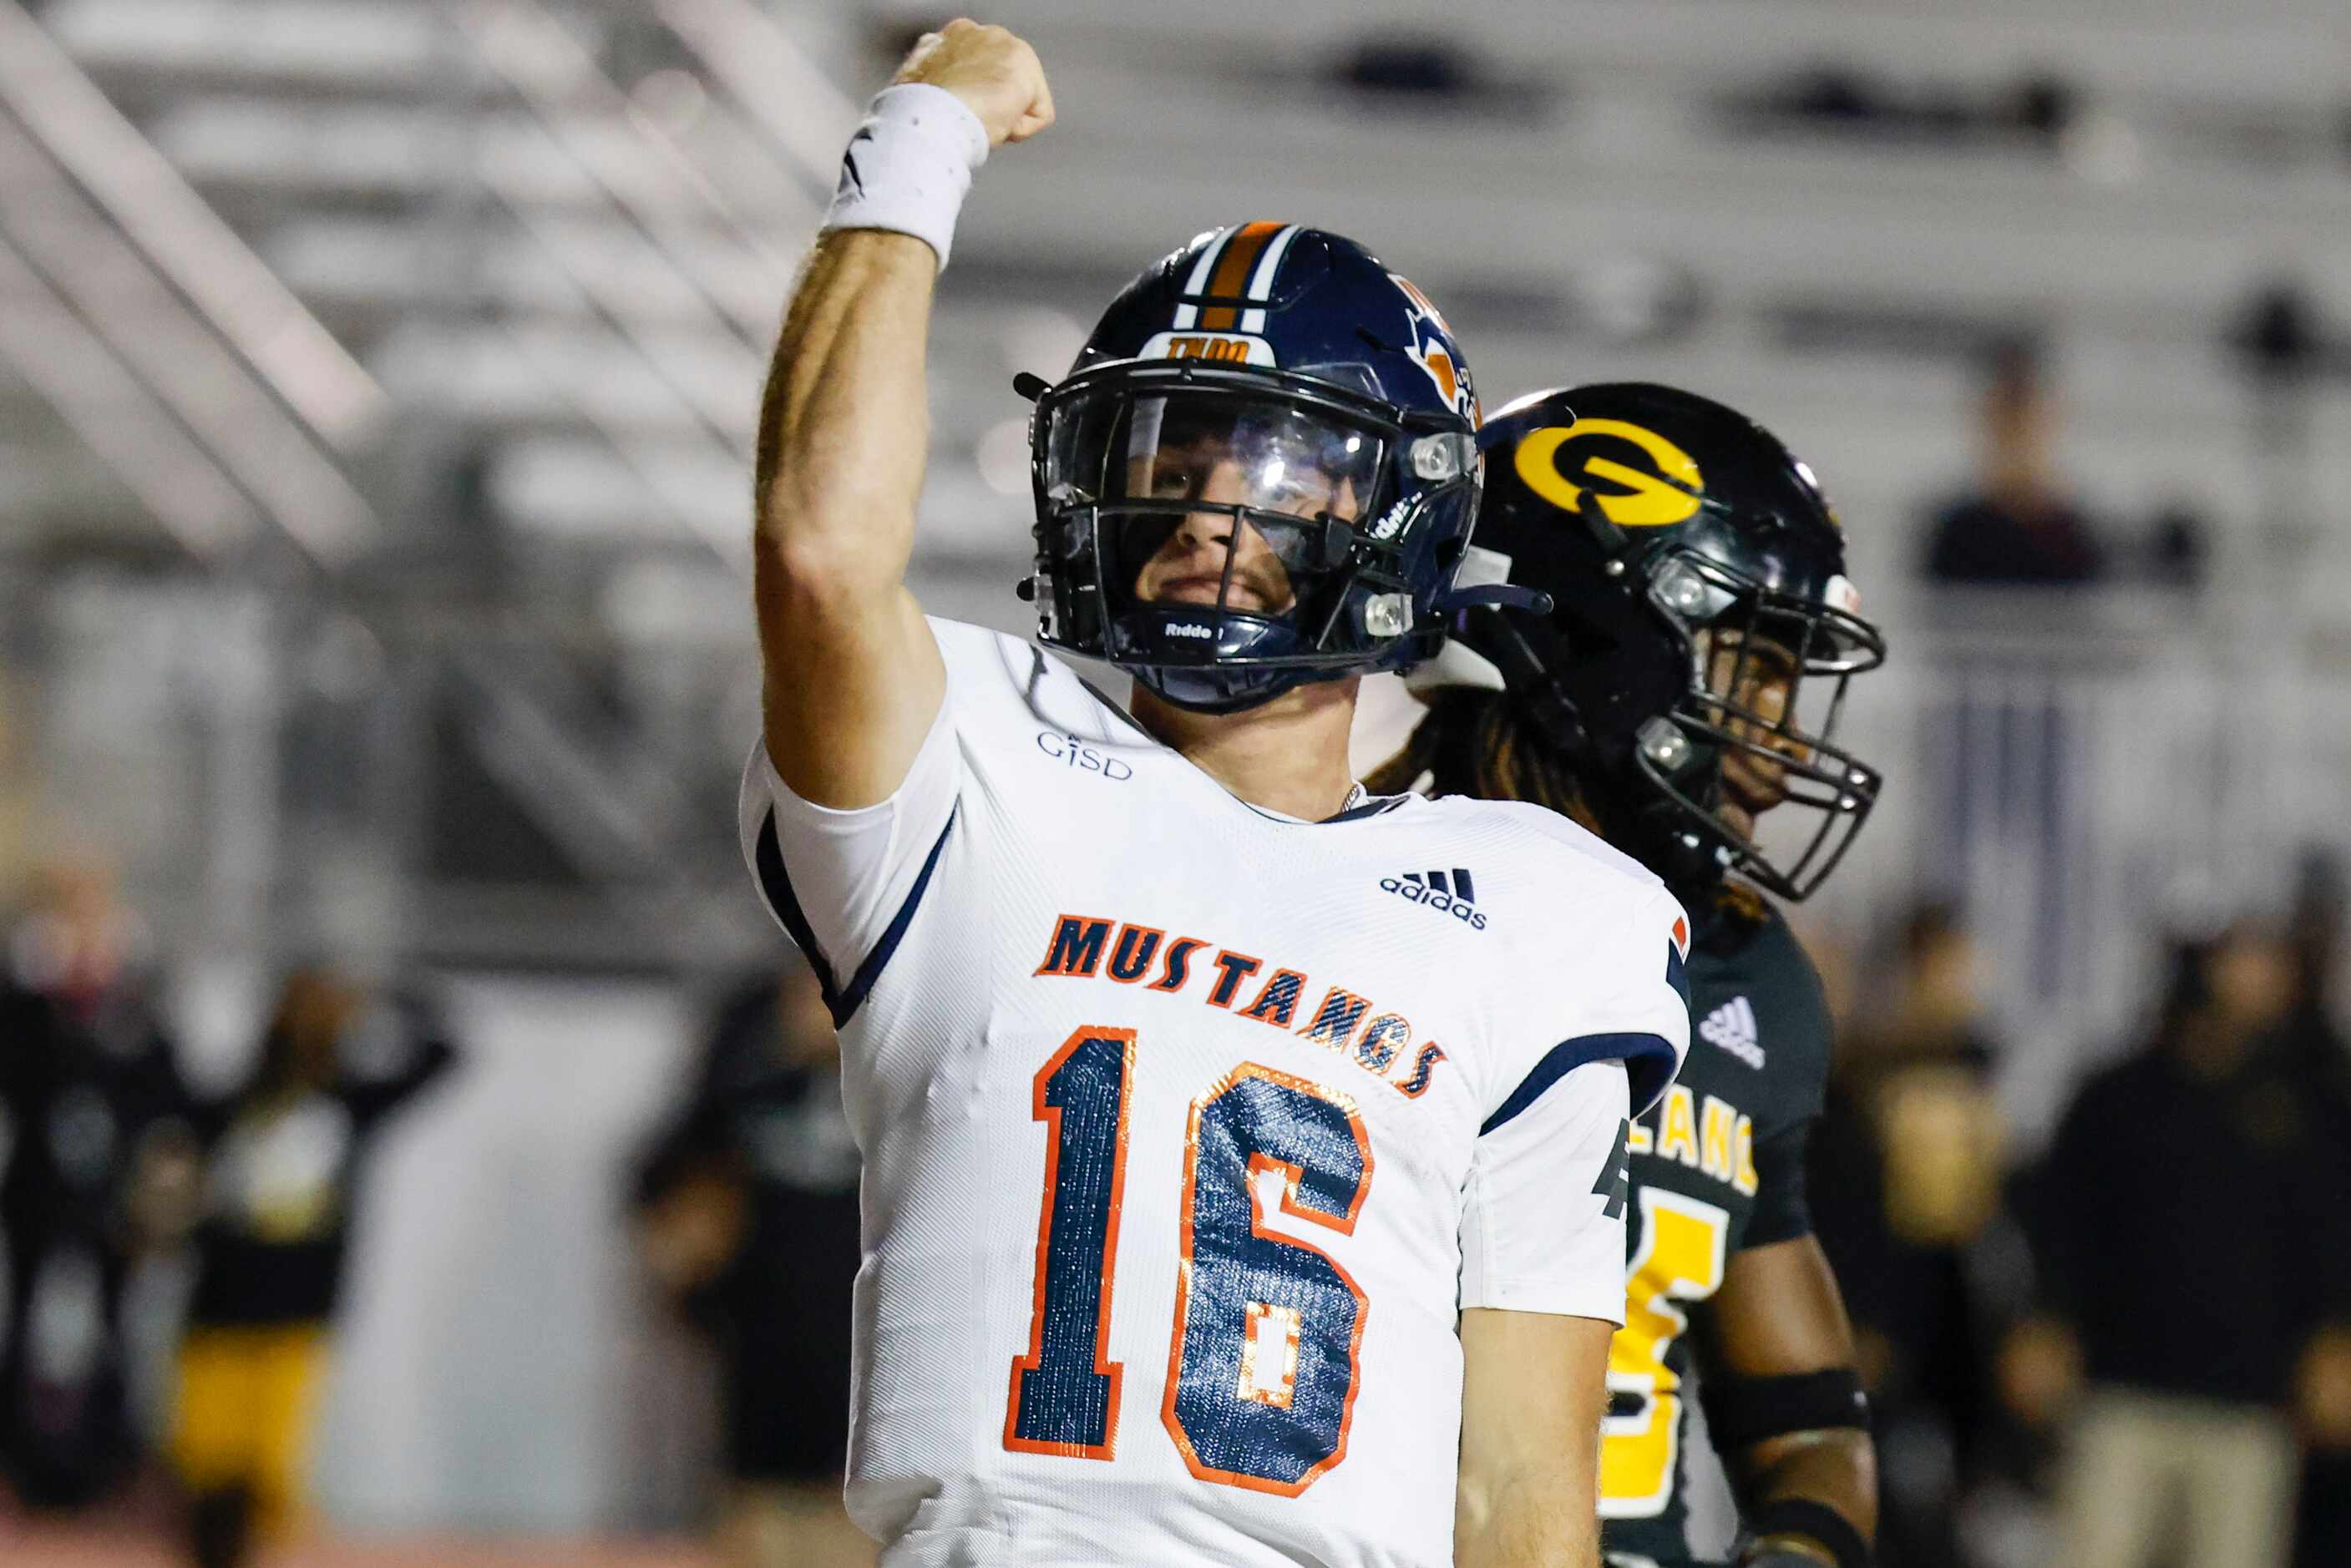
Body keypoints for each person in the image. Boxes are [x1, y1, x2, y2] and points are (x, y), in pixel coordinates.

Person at [737, 22, 1694, 1568]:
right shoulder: (976, 772)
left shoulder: (1543, 908)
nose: (1203, 508)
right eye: (1169, 454)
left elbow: (1519, 1492)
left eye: (1278, 465)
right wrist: (916, 142)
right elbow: (820, 556)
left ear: (1400, 516)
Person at [1367, 384, 1884, 1568]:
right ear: (1599, 637)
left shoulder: (1746, 979)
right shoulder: (1354, 913)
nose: (1785, 737)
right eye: (1751, 666)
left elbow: (1808, 1425)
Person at [2016, 921, 2351, 1568]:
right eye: (2245, 954)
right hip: (2119, 1392)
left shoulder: (2314, 1102)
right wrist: (2043, 1321)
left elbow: (2332, 1235)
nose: (2263, 973)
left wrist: (2335, 1337)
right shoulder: (2117, 1096)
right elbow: (2061, 1223)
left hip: (2252, 1406)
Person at [167, 967, 457, 1568]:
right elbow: (161, 1109)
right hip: (221, 1303)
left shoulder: (350, 1103)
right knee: (203, 1463)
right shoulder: (236, 1101)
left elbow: (444, 1056)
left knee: (270, 1476)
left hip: (297, 1308)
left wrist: (390, 994)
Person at [633, 967, 867, 1568]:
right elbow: (666, 1172)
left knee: (862, 1505)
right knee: (758, 1509)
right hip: (763, 1333)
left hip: (872, 1336)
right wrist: (690, 1281)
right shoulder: (749, 1055)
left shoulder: (896, 1064)